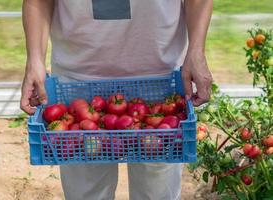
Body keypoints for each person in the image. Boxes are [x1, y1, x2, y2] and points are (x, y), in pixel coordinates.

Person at [20, 0, 213, 199]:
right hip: (78, 83)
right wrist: (34, 59)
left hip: (160, 80)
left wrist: (197, 51)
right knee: (86, 190)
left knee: (157, 190)